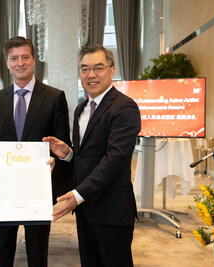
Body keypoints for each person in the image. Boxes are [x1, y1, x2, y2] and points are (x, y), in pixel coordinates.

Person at [43, 44, 141, 267]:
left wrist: (77, 195)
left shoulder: (125, 108)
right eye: (84, 69)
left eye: (98, 67)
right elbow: (88, 156)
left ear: (112, 71)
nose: (91, 74)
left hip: (112, 210)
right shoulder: (81, 109)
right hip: (86, 211)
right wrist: (68, 154)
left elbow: (113, 160)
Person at [0, 36, 71, 267]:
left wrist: (55, 159)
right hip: (4, 188)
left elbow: (63, 144)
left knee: (38, 250)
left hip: (38, 188)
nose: (20, 63)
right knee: (2, 249)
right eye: (14, 58)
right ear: (7, 62)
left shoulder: (54, 97)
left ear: (34, 60)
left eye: (25, 57)